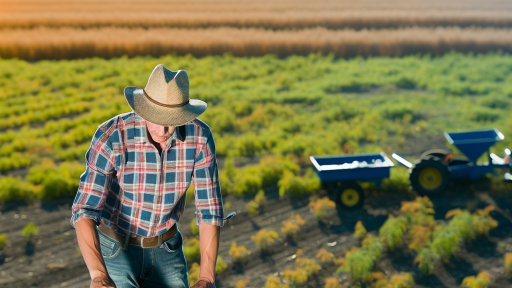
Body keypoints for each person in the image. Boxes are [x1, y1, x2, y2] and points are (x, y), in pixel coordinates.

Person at [70, 64, 233, 288]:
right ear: (142, 109)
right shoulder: (111, 135)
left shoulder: (200, 137)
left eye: (172, 120)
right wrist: (98, 275)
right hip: (116, 249)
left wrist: (207, 277)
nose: (162, 130)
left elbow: (210, 210)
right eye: (155, 117)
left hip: (167, 249)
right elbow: (85, 209)